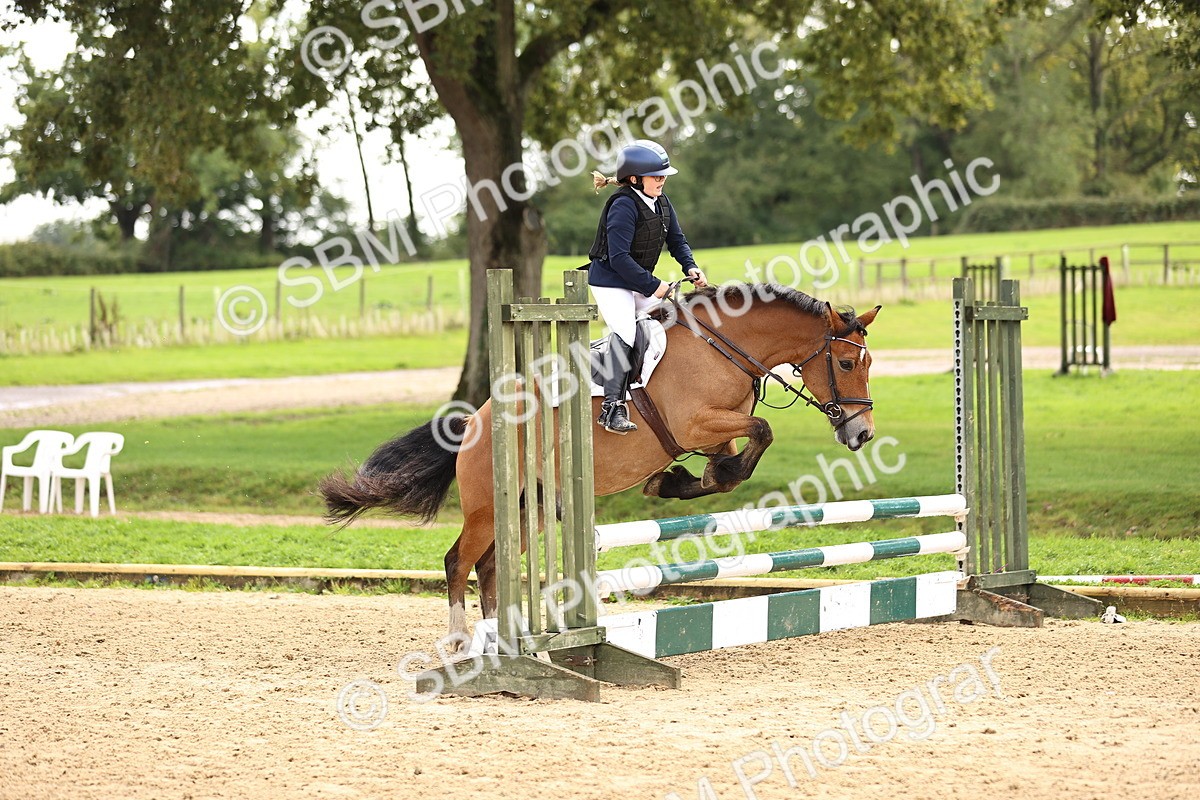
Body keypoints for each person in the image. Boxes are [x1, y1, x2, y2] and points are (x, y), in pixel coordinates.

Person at [587, 139, 708, 434]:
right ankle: (611, 408)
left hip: (637, 280)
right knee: (627, 332)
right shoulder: (623, 206)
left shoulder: (662, 203)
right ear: (635, 179)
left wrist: (690, 266)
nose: (662, 180)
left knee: (675, 318)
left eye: (663, 175)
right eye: (656, 176)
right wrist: (655, 286)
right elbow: (618, 258)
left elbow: (677, 241)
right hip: (611, 281)